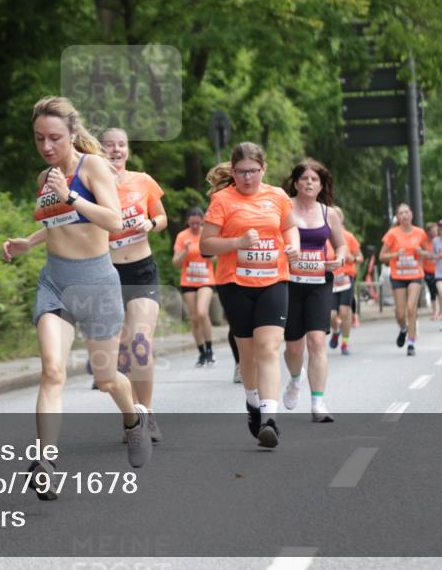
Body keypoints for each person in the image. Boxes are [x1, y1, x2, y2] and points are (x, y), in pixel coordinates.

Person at [2, 96, 151, 498]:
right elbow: (58, 224)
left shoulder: (94, 167)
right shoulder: (44, 177)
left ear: (71, 134)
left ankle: (133, 418)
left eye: (54, 138)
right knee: (52, 371)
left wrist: (70, 195)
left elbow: (113, 219)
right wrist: (27, 243)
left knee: (106, 380)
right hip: (56, 282)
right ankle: (46, 461)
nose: (46, 147)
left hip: (98, 284)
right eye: (39, 139)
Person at [200, 142, 299, 447]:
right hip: (235, 283)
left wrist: (293, 246)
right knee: (248, 353)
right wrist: (237, 242)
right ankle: (253, 403)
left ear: (263, 169)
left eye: (253, 172)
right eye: (241, 172)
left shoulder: (278, 196)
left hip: (274, 280)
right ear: (233, 171)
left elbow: (289, 228)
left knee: (268, 348)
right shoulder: (221, 200)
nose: (247, 178)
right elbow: (205, 246)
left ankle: (269, 419)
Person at [100, 127, 168, 442]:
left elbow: (162, 217)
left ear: (128, 149)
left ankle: (146, 412)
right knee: (123, 351)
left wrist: (151, 223)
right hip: (108, 273)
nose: (116, 150)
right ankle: (131, 416)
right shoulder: (92, 186)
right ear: (99, 150)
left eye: (121, 145)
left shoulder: (143, 181)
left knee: (140, 342)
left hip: (142, 270)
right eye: (109, 145)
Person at [279, 159, 348, 423]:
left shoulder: (328, 214)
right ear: (296, 183)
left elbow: (341, 246)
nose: (309, 183)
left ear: (321, 185)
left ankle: (318, 403)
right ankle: (296, 380)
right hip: (290, 283)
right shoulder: (284, 210)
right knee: (294, 348)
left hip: (319, 282)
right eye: (304, 179)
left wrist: (339, 259)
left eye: (314, 179)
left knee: (317, 342)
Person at [379, 203, 430, 356]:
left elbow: (427, 253)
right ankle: (403, 329)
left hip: (415, 274)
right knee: (400, 313)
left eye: (406, 212)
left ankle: (411, 343)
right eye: (401, 213)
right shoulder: (392, 234)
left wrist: (421, 252)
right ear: (398, 217)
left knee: (410, 308)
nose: (404, 215)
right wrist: (395, 255)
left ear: (411, 214)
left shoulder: (420, 233)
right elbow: (382, 256)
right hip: (398, 275)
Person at [173, 206, 217, 368]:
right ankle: (202, 352)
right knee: (194, 318)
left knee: (202, 312)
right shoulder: (182, 236)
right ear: (188, 222)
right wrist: (185, 250)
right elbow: (176, 263)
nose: (195, 227)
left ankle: (210, 349)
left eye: (198, 223)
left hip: (206, 279)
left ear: (203, 222)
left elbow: (215, 259)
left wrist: (209, 252)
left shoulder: (208, 234)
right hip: (188, 281)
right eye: (192, 224)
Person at [328, 207, 362, 356]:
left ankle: (344, 343)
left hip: (347, 278)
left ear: (341, 219)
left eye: (337, 216)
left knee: (344, 311)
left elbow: (360, 257)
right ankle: (336, 331)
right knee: (331, 315)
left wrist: (352, 259)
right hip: (331, 279)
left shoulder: (348, 237)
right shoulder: (324, 237)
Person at [423, 222, 441, 321]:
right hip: (428, 270)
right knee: (432, 292)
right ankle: (435, 312)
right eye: (433, 230)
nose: (435, 232)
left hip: (439, 271)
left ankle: (441, 312)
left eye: (436, 230)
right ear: (428, 231)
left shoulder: (439, 241)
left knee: (440, 292)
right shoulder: (424, 242)